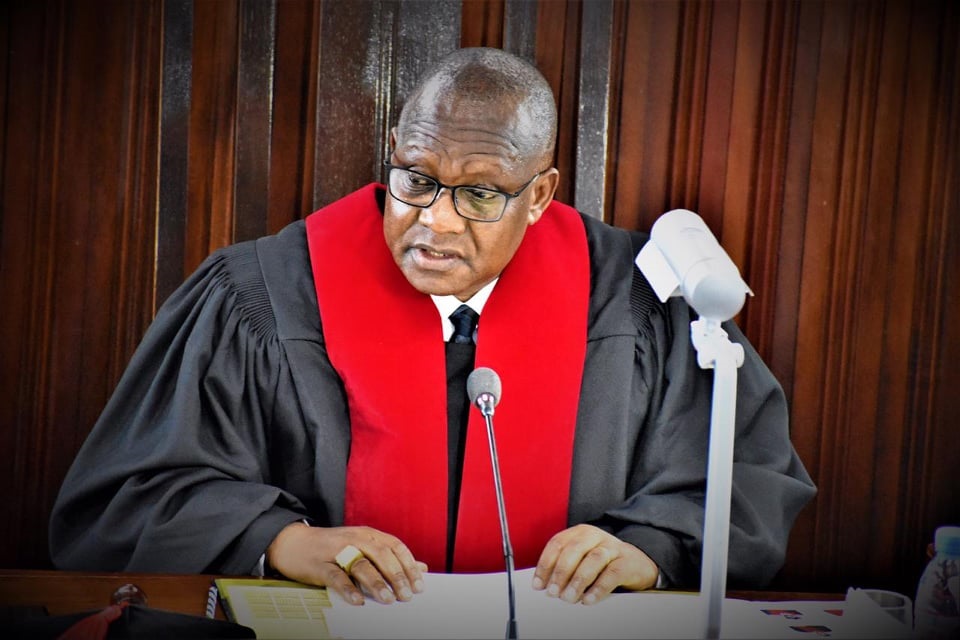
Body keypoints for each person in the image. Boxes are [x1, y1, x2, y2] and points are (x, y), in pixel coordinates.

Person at [49, 47, 815, 608]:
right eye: (416, 179)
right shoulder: (263, 292)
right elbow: (127, 498)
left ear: (540, 194)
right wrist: (281, 542)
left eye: (480, 194)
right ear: (394, 152)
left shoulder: (635, 299)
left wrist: (648, 549)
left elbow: (748, 475)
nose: (434, 223)